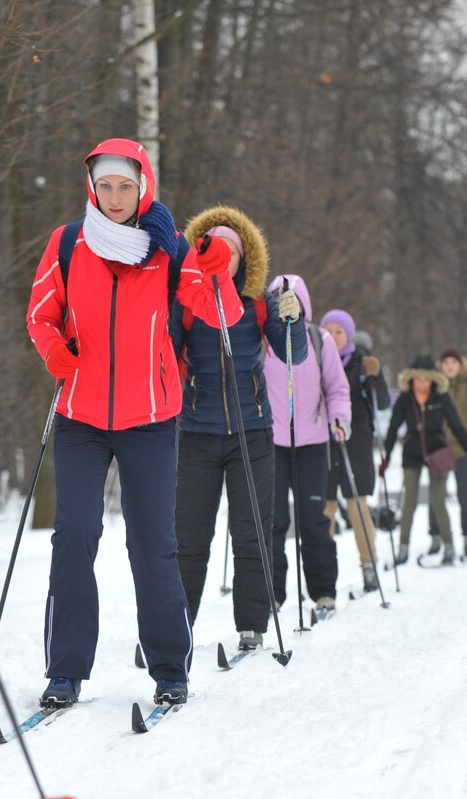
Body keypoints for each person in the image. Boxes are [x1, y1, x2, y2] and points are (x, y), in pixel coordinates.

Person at [25, 139, 241, 708]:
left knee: (153, 545)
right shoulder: (68, 243)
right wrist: (53, 351)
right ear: (91, 188)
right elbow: (41, 312)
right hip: (80, 417)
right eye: (105, 186)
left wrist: (218, 269)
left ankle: (170, 668)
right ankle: (65, 671)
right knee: (75, 537)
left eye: (125, 186)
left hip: (150, 418)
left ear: (143, 187)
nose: (114, 197)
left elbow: (222, 312)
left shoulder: (169, 250)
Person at [170, 206, 306, 653]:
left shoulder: (258, 303)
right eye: (214, 250)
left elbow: (293, 356)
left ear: (242, 258)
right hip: (197, 433)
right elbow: (166, 353)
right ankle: (176, 627)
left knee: (252, 531)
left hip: (252, 431)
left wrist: (294, 319)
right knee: (190, 537)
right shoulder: (185, 302)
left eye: (231, 252)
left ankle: (253, 624)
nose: (222, 259)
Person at [262, 275, 351, 617]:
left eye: (293, 301)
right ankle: (273, 594)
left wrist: (340, 418)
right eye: (280, 299)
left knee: (313, 518)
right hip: (270, 443)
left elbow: (337, 387)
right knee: (273, 521)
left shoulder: (319, 339)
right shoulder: (263, 338)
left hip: (312, 441)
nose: (287, 306)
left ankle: (323, 592)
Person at [381, 355, 467, 566]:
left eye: (426, 379)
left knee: (438, 500)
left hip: (437, 451)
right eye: (417, 379)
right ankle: (403, 547)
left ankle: (449, 546)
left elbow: (456, 426)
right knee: (409, 501)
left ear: (433, 380)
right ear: (410, 379)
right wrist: (386, 457)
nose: (421, 383)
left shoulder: (441, 398)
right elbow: (393, 428)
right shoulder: (405, 399)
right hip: (412, 452)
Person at [320, 308, 390, 593]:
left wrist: (376, 376)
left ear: (349, 335)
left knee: (358, 506)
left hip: (357, 442)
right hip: (322, 443)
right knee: (323, 510)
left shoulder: (362, 363)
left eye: (340, 332)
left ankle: (369, 565)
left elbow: (383, 403)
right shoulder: (316, 358)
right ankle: (322, 571)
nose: (335, 337)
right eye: (330, 331)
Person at [428, 348, 467, 558]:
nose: (450, 366)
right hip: (441, 446)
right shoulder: (434, 387)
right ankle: (436, 536)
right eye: (446, 363)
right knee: (437, 495)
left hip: (465, 448)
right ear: (441, 366)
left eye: (454, 362)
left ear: (461, 365)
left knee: (466, 495)